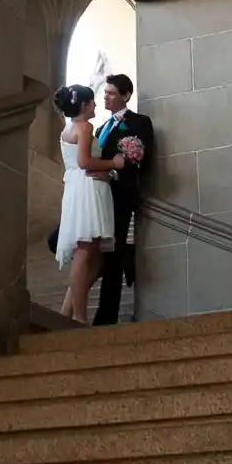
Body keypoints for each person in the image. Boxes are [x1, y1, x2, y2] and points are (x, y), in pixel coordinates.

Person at [51, 83, 122, 323]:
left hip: (76, 186)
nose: (95, 105)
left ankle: (67, 311)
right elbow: (84, 161)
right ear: (83, 105)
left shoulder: (69, 128)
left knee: (95, 255)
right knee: (85, 251)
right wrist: (114, 163)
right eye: (91, 101)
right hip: (87, 187)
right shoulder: (85, 127)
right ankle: (79, 317)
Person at [92, 73, 155, 327]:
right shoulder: (100, 128)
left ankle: (106, 316)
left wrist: (115, 172)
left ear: (126, 95)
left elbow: (142, 159)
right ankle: (127, 255)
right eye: (104, 92)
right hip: (98, 196)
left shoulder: (139, 122)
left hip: (121, 194)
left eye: (111, 93)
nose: (105, 97)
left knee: (112, 252)